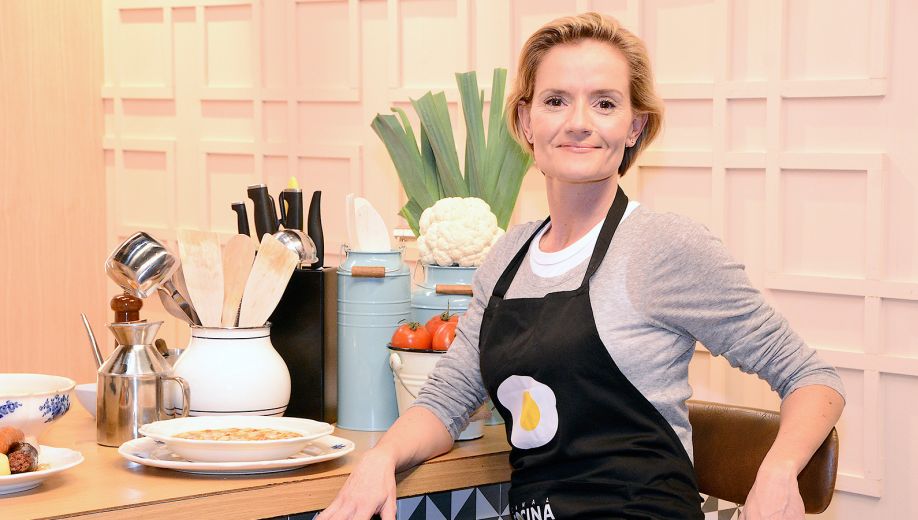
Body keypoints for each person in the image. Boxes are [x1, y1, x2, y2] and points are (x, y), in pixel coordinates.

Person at [318, 12, 844, 520]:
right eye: (555, 100)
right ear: (526, 121)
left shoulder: (663, 246)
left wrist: (777, 472)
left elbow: (811, 378)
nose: (578, 123)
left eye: (605, 103)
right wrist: (381, 458)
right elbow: (448, 398)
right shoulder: (507, 257)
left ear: (634, 127)